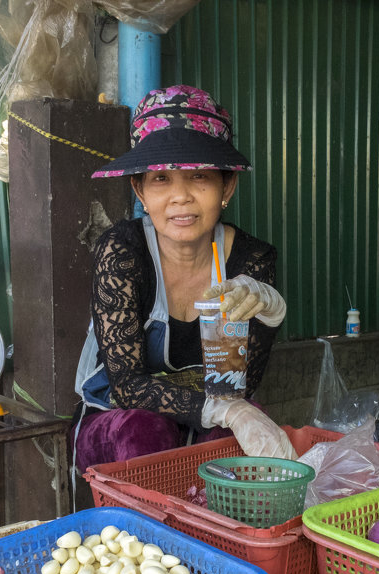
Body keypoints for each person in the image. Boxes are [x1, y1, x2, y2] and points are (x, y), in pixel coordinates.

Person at [72, 85, 297, 473]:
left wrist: (269, 316)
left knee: (234, 442)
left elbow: (237, 385)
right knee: (145, 431)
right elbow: (127, 386)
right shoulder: (123, 252)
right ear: (138, 189)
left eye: (200, 177)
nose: (181, 197)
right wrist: (227, 412)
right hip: (119, 418)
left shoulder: (252, 259)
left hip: (212, 410)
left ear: (227, 186)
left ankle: (225, 533)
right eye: (161, 178)